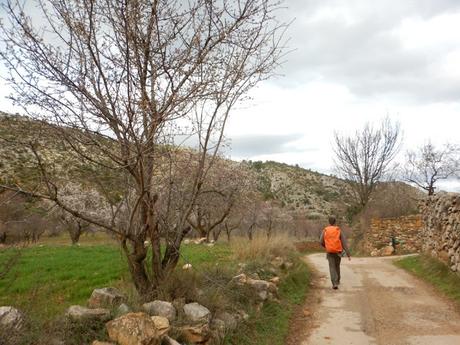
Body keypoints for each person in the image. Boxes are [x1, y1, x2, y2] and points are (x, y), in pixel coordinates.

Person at [320, 216, 351, 289]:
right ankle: (337, 280)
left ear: (329, 222)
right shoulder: (338, 230)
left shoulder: (325, 230)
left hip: (329, 252)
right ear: (335, 222)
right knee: (337, 266)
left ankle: (334, 283)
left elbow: (321, 241)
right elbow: (344, 243)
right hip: (338, 251)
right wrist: (348, 254)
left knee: (332, 267)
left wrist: (326, 246)